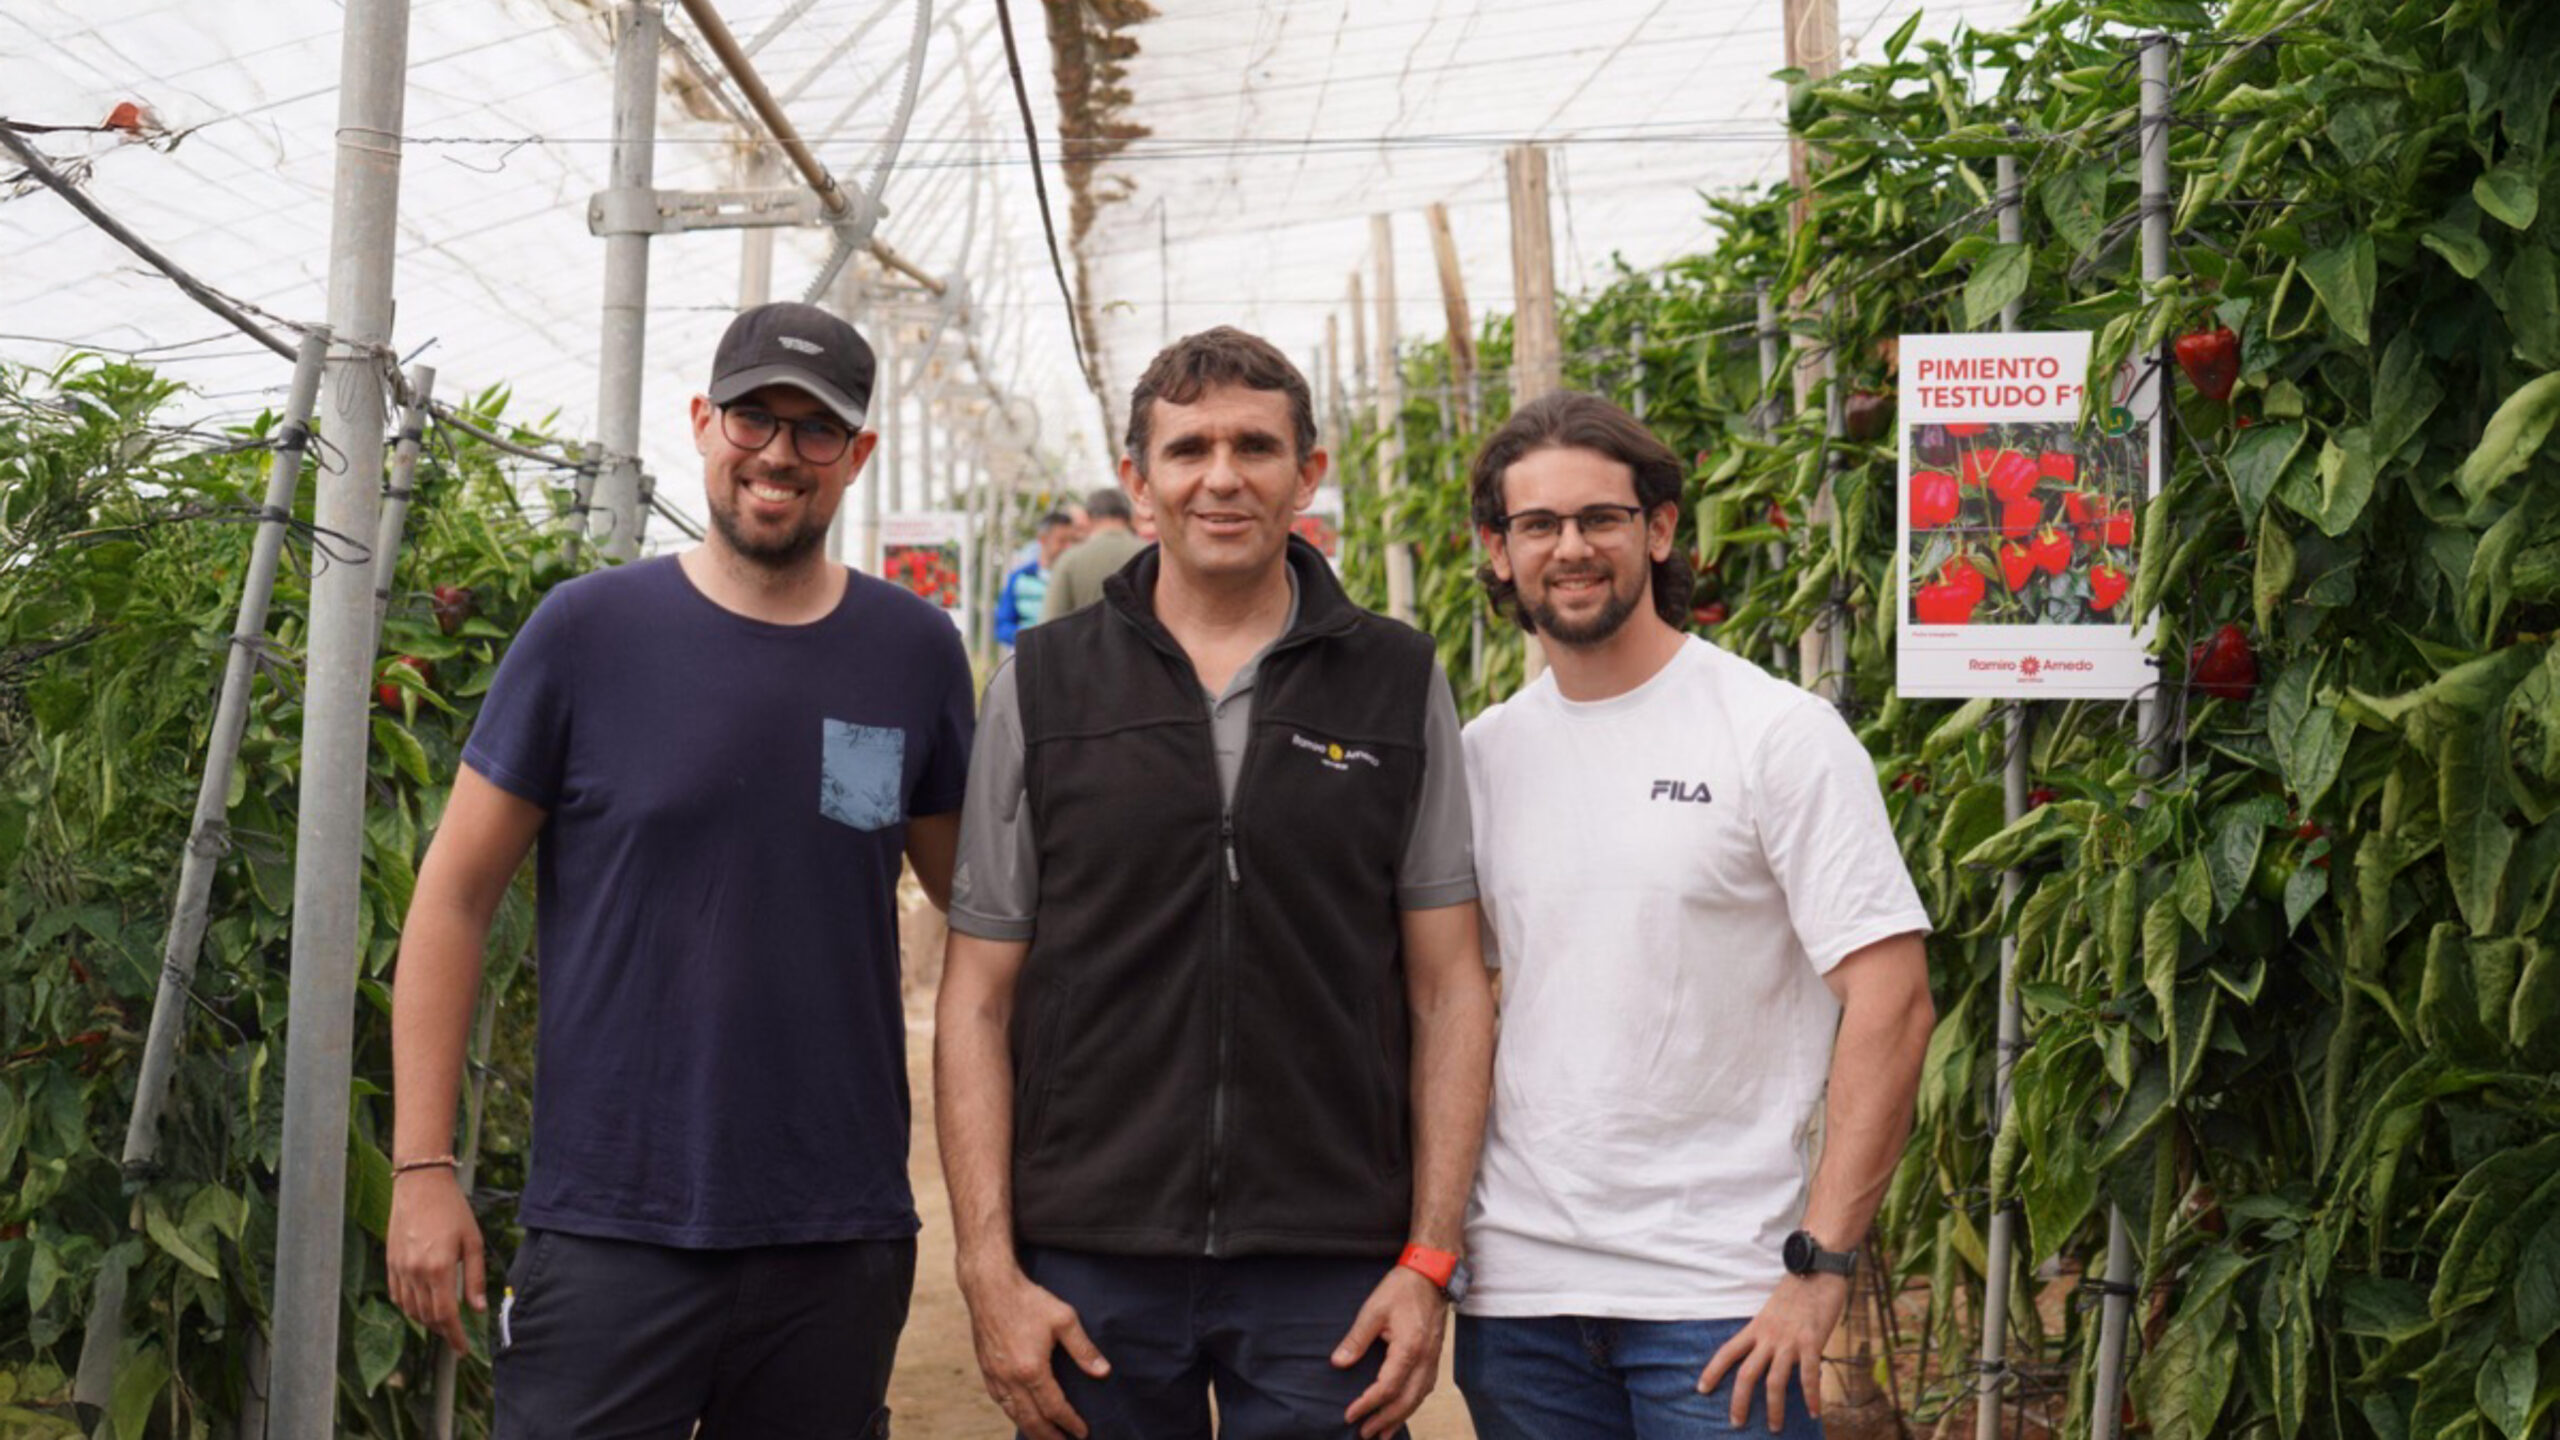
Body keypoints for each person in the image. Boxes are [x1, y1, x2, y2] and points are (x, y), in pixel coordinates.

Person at [384, 301, 974, 1438]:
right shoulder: (587, 635)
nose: (779, 454)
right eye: (754, 418)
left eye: (816, 430)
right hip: (613, 1221)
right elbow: (453, 898)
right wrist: (421, 1166)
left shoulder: (912, 652)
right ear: (704, 422)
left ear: (858, 454)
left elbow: (983, 912)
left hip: (835, 1230)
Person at [936, 326, 1496, 1440]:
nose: (1223, 477)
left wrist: (1428, 1257)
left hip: (1329, 1261)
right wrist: (989, 1268)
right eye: (1189, 450)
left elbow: (1449, 987)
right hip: (1088, 1256)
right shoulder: (1043, 685)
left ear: (1308, 473)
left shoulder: (1395, 679)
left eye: (1256, 446)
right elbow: (978, 995)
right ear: (1140, 483)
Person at [1451, 391, 1934, 1440]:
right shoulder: (1482, 757)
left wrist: (1821, 1267)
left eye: (1601, 518)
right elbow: (1451, 1000)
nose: (1570, 548)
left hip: (1720, 1299)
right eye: (1537, 524)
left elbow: (1892, 1000)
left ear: (1659, 529)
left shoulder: (1775, 734)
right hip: (1520, 1301)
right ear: (1497, 550)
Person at [1039, 485, 1147, 622]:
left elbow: (1050, 622)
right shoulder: (1150, 554)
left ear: (1088, 517)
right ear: (1129, 516)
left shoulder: (1069, 560)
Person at [995, 510, 1078, 648]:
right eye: (1062, 541)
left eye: (1072, 541)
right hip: (1030, 653)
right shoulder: (1020, 578)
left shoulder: (1077, 577)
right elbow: (1002, 626)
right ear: (1043, 539)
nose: (1068, 547)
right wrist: (1032, 638)